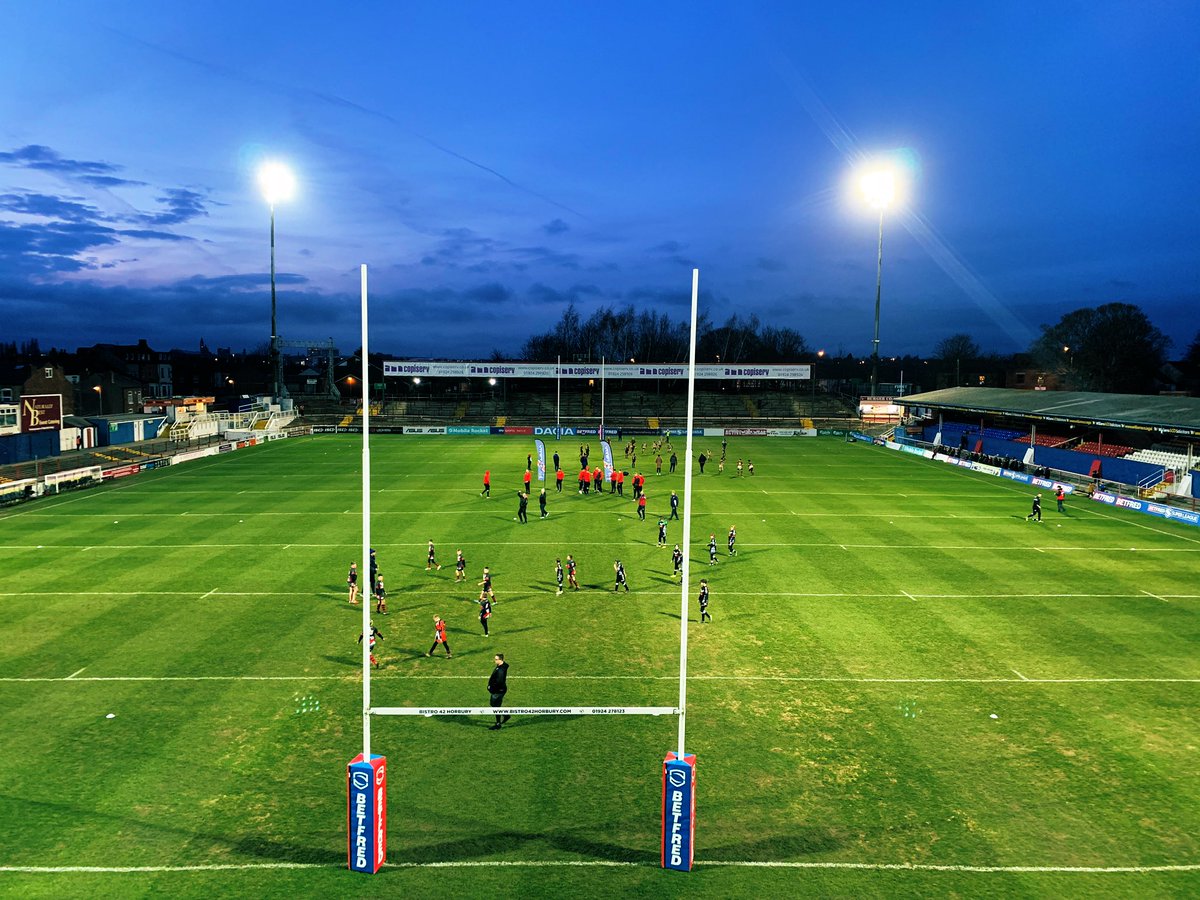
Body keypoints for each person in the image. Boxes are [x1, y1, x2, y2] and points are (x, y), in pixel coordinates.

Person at [488, 654, 510, 730]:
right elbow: (507, 665)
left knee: (495, 706)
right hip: (500, 690)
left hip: (498, 691)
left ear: (501, 660)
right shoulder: (503, 665)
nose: (495, 660)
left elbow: (499, 682)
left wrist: (491, 688)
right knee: (494, 705)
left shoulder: (500, 670)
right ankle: (505, 715)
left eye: (496, 659)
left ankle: (498, 724)